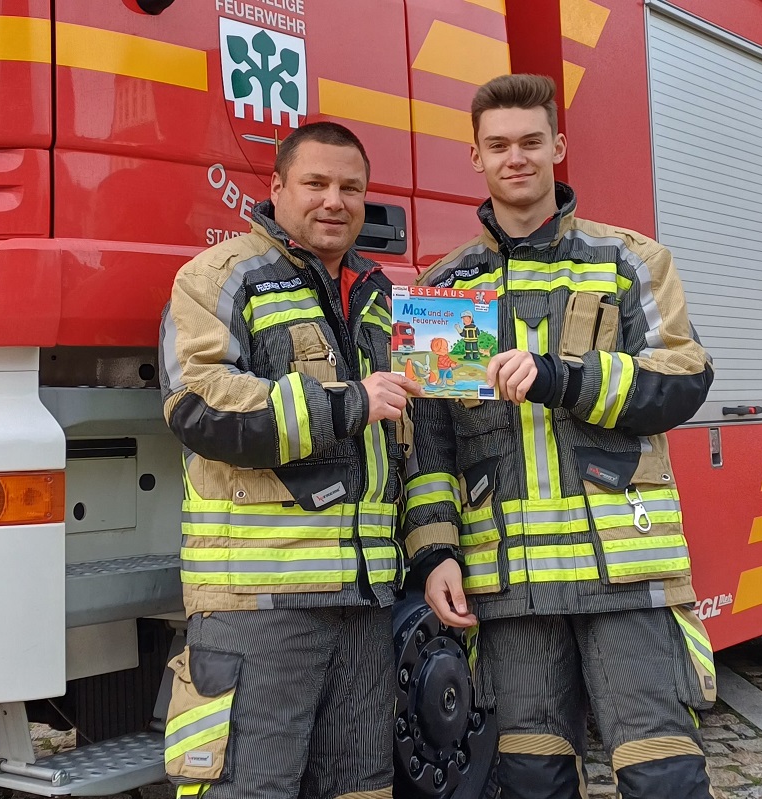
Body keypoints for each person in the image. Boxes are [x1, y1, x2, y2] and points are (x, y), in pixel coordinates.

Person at [401, 74, 718, 799]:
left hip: (624, 575)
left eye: (531, 142)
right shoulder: (444, 289)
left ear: (558, 147)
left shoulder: (627, 261)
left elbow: (683, 378)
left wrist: (562, 378)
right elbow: (431, 444)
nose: (516, 158)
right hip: (511, 587)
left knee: (663, 773)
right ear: (476, 156)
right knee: (532, 778)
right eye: (498, 145)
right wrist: (437, 554)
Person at [158, 121, 422, 799]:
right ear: (276, 188)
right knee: (249, 789)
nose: (334, 200)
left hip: (364, 602)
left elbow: (413, 440)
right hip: (259, 603)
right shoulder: (218, 277)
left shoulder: (383, 298)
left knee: (361, 789)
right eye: (316, 183)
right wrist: (350, 402)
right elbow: (199, 406)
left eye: (350, 188)